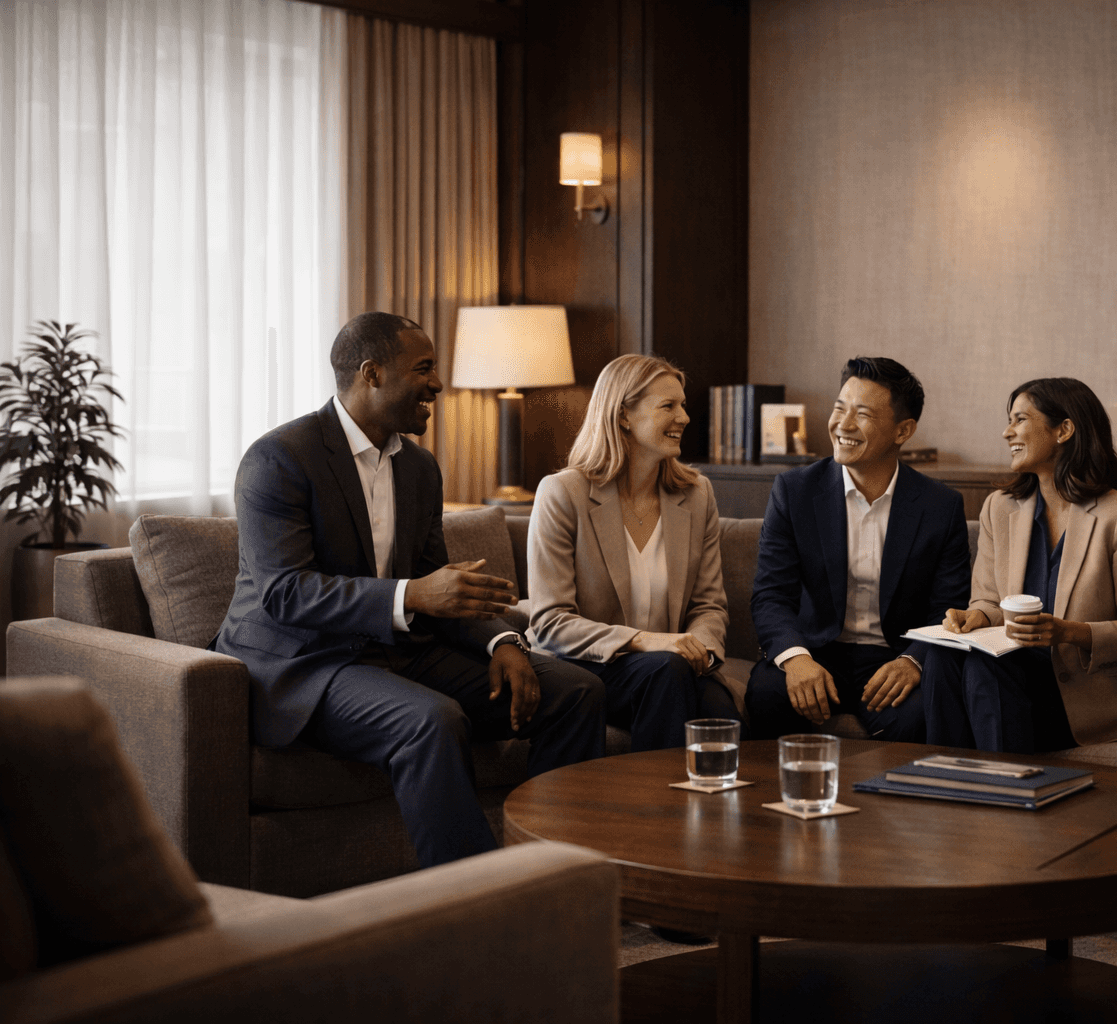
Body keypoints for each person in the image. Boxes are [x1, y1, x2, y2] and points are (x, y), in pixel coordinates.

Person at [214, 311, 606, 869]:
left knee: (574, 689)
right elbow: (285, 593)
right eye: (423, 368)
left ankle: (559, 872)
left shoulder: (419, 468)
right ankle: (482, 900)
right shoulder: (279, 458)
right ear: (372, 373)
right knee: (431, 720)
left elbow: (443, 588)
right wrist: (413, 597)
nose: (438, 383)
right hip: (306, 661)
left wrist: (503, 643)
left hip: (399, 652)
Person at [922, 378, 1117, 754]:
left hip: (1085, 695)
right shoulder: (999, 507)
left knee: (987, 668)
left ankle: (1005, 784)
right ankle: (945, 776)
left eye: (1020, 419)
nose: (1007, 432)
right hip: (1016, 679)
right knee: (942, 655)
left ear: (1063, 430)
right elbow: (988, 601)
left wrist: (1068, 632)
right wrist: (976, 617)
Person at [747, 356, 970, 741]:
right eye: (839, 409)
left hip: (892, 655)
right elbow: (771, 595)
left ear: (903, 430)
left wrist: (913, 660)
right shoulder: (794, 491)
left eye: (862, 414)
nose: (843, 425)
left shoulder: (940, 506)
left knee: (922, 714)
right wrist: (795, 658)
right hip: (814, 648)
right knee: (767, 695)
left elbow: (948, 606)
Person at [526, 354, 738, 752]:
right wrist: (646, 641)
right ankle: (654, 795)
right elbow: (551, 623)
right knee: (667, 672)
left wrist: (701, 650)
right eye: (668, 406)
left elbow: (708, 605)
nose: (684, 417)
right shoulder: (563, 493)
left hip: (671, 667)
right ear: (623, 415)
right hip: (584, 667)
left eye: (683, 405)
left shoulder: (697, 494)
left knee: (720, 711)